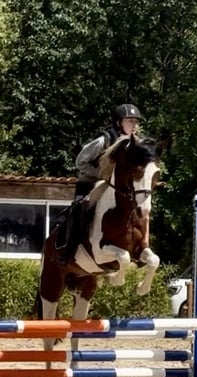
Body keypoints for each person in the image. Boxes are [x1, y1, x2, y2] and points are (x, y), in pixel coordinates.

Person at [55, 104, 144, 264]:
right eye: (130, 121)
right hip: (91, 183)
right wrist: (103, 176)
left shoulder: (136, 144)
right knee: (79, 209)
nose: (134, 125)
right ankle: (67, 251)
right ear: (118, 123)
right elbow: (80, 162)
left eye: (135, 122)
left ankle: (138, 248)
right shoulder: (103, 141)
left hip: (119, 187)